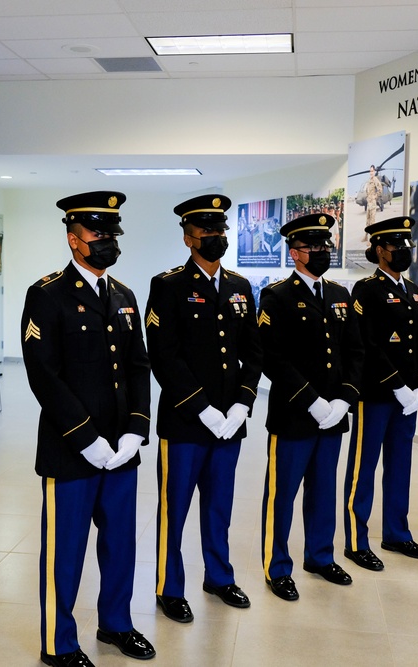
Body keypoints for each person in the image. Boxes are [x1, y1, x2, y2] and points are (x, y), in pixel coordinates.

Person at [21, 191, 155, 667]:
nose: (107, 243)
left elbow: (139, 367)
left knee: (121, 543)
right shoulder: (47, 294)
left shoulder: (123, 295)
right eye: (99, 235)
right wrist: (87, 438)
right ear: (74, 239)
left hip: (121, 450)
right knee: (65, 552)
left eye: (112, 234)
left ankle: (116, 623)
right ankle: (58, 642)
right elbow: (43, 375)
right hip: (71, 449)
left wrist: (137, 429)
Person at [146, 195, 263, 623]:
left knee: (219, 507)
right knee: (173, 511)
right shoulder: (169, 285)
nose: (216, 239)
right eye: (207, 232)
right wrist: (203, 409)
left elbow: (254, 350)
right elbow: (164, 356)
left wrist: (243, 404)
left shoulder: (239, 287)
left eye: (221, 232)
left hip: (230, 423)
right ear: (188, 238)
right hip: (185, 424)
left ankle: (219, 576)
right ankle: (168, 586)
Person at [258, 213, 363, 601]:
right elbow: (273, 357)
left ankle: (320, 556)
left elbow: (355, 350)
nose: (321, 253)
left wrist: (344, 398)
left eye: (325, 247)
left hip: (333, 415)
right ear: (295, 253)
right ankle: (277, 565)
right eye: (313, 247)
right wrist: (312, 401)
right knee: (282, 494)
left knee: (323, 492)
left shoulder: (339, 295)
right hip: (295, 415)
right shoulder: (277, 297)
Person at [343, 217, 418, 572]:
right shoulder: (366, 289)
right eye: (397, 248)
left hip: (408, 398)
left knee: (401, 465)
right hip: (378, 394)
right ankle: (356, 539)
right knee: (363, 469)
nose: (404, 253)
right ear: (380, 251)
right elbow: (367, 344)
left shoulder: (412, 289)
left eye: (408, 247)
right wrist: (397, 384)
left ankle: (397, 532)